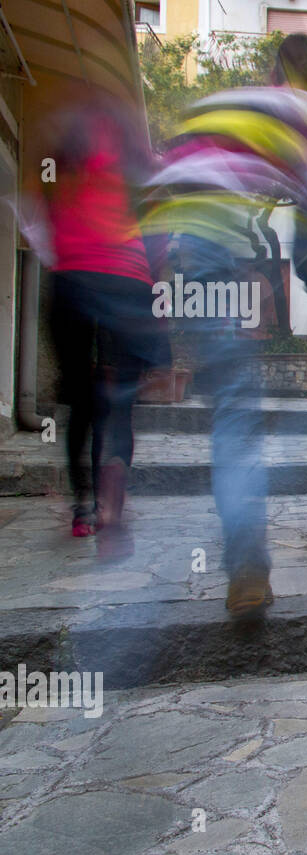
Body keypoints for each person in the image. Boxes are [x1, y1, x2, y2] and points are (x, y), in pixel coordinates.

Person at [141, 37, 307, 617]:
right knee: (240, 412)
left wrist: (158, 280)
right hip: (220, 251)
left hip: (194, 253)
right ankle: (246, 563)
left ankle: (244, 559)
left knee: (231, 413)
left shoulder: (223, 105)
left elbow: (165, 183)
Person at [35, 86, 169, 543]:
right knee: (120, 402)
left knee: (82, 401)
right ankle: (112, 498)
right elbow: (160, 227)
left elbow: (49, 214)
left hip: (72, 280)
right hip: (127, 281)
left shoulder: (63, 154)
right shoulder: (140, 157)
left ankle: (83, 507)